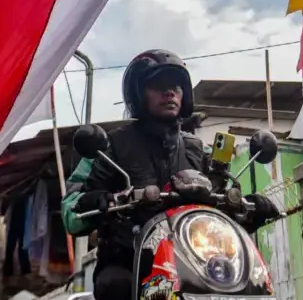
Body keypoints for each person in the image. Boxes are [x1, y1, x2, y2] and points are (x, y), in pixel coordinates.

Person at [60, 49, 282, 300]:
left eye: (176, 86)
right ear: (137, 92)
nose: (170, 92)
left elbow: (224, 203)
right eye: (158, 85)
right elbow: (71, 211)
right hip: (130, 261)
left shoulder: (200, 151)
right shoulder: (110, 148)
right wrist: (90, 201)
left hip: (198, 263)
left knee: (250, 283)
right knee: (115, 286)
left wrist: (251, 209)